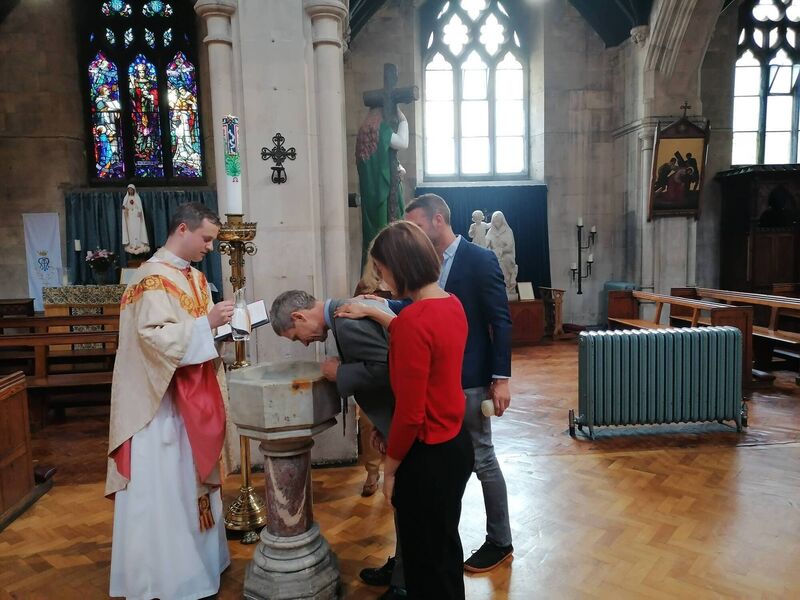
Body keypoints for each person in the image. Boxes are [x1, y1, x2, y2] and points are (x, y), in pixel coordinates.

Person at [336, 220, 474, 599]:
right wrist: (381, 314)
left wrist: (390, 471)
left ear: (399, 265)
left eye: (381, 269)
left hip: (426, 456)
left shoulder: (414, 321)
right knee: (444, 552)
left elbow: (411, 414)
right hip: (457, 446)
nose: (380, 278)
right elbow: (419, 337)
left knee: (423, 566)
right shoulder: (451, 304)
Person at [106, 202, 235, 599]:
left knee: (191, 482)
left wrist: (222, 329)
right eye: (206, 238)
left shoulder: (194, 278)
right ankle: (168, 576)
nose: (210, 247)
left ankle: (203, 564)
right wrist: (206, 325)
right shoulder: (149, 279)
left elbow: (194, 333)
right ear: (183, 229)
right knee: (167, 488)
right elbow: (152, 338)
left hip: (193, 399)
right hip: (160, 407)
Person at [402, 193, 514, 573]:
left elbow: (500, 320)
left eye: (416, 226)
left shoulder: (480, 260)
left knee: (483, 457)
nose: (412, 236)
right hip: (434, 383)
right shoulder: (424, 265)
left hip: (469, 380)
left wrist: (500, 379)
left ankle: (500, 539)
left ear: (438, 221)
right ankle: (428, 547)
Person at [356, 106, 409, 264]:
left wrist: (399, 168)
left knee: (372, 240)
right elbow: (402, 142)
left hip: (370, 198)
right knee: (388, 240)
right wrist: (403, 120)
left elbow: (381, 166)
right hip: (384, 197)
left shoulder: (363, 136)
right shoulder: (382, 129)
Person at [121, 184, 151, 255]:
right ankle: (133, 245)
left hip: (136, 218)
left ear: (134, 190)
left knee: (138, 230)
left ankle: (139, 244)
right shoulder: (126, 198)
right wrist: (124, 209)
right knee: (131, 231)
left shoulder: (137, 198)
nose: (130, 191)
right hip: (130, 218)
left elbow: (139, 207)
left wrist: (139, 211)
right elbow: (124, 207)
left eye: (131, 190)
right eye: (129, 190)